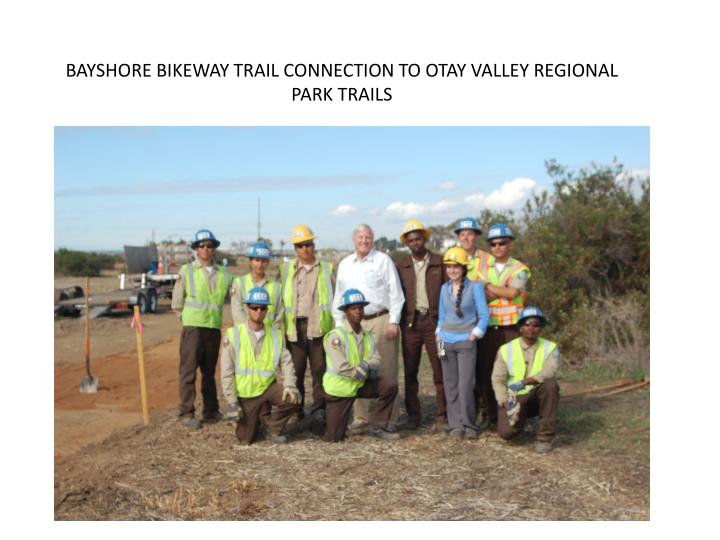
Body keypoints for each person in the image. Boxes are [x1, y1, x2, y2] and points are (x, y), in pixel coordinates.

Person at [332, 224, 405, 432]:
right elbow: (339, 295)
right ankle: (361, 417)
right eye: (361, 237)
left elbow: (395, 293)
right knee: (357, 368)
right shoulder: (345, 264)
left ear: (373, 240)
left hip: (380, 320)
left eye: (368, 237)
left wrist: (394, 321)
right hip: (354, 323)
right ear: (354, 239)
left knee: (387, 369)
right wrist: (339, 325)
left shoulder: (383, 261)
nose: (364, 240)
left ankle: (389, 418)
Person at [220, 287, 302, 445]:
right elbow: (226, 373)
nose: (258, 311)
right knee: (245, 439)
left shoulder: (276, 335)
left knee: (293, 399)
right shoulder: (233, 335)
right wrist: (232, 402)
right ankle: (257, 418)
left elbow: (287, 363)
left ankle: (273, 428)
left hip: (267, 389)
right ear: (247, 308)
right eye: (254, 307)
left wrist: (290, 385)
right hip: (246, 395)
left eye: (263, 308)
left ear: (266, 310)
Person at [171, 228, 231, 429]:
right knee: (188, 371)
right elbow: (177, 303)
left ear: (214, 248)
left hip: (213, 328)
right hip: (193, 328)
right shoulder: (186, 271)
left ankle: (211, 411)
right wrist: (188, 321)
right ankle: (186, 413)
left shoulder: (223, 273)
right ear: (196, 249)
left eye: (209, 245)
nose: (206, 249)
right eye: (202, 245)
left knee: (209, 372)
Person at [322, 289, 400, 442]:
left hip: (358, 384)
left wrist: (364, 365)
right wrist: (361, 371)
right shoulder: (335, 336)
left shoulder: (366, 335)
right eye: (353, 308)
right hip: (340, 389)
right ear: (345, 312)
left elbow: (376, 359)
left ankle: (377, 426)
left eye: (360, 308)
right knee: (334, 438)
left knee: (389, 385)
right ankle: (319, 421)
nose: (358, 312)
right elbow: (341, 367)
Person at [475, 224, 531, 429]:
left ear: (510, 244)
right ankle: (489, 416)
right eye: (494, 244)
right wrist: (501, 290)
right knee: (487, 372)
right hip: (488, 327)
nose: (498, 247)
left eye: (502, 243)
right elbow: (479, 295)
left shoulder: (520, 269)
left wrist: (488, 286)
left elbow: (512, 294)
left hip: (511, 328)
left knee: (514, 372)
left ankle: (516, 414)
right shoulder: (483, 268)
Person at [279, 225, 335, 428]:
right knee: (296, 370)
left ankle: (319, 409)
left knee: (320, 370)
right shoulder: (286, 269)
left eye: (308, 244)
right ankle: (297, 409)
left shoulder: (327, 269)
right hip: (295, 328)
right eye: (300, 245)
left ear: (314, 245)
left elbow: (334, 297)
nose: (305, 249)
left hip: (319, 327)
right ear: (295, 248)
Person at [395, 220, 447, 432]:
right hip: (411, 323)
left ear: (425, 239)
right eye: (411, 240)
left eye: (418, 238)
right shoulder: (401, 266)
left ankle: (443, 416)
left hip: (434, 322)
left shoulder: (439, 262)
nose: (415, 243)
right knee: (410, 372)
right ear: (407, 243)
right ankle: (413, 417)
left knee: (439, 371)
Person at [436, 247, 489, 439]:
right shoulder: (444, 289)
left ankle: (469, 425)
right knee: (450, 385)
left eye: (456, 266)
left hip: (466, 342)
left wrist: (474, 335)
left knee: (466, 385)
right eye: (449, 267)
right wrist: (438, 333)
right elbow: (442, 315)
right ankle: (455, 426)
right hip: (446, 342)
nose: (452, 270)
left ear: (464, 268)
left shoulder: (475, 287)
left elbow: (483, 316)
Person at [492, 306, 560, 453]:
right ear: (520, 327)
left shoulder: (550, 347)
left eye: (536, 325)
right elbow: (497, 379)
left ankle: (544, 437)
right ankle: (519, 420)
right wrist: (503, 399)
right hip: (514, 397)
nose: (531, 328)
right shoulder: (506, 349)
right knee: (507, 433)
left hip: (536, 394)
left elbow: (550, 370)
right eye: (527, 324)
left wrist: (528, 381)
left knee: (551, 385)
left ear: (541, 328)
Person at [231, 241, 283, 329]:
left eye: (264, 261)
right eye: (257, 260)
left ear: (268, 262)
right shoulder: (239, 283)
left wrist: (271, 333)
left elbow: (279, 314)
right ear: (251, 261)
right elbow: (237, 313)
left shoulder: (277, 287)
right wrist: (250, 332)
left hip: (269, 336)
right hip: (246, 336)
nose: (260, 264)